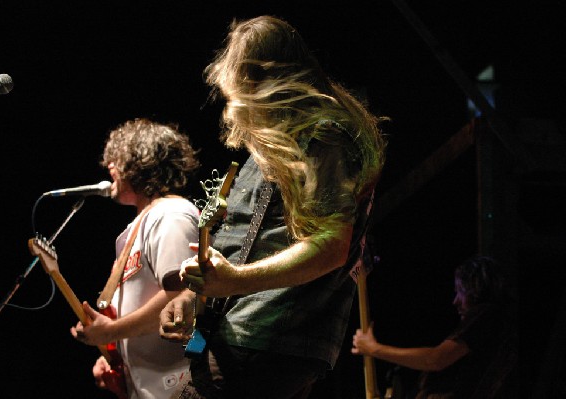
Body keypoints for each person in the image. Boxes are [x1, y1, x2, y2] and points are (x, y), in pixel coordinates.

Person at [159, 15, 387, 399]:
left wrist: (236, 281)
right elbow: (238, 248)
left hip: (264, 341)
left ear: (253, 81)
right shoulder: (270, 148)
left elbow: (332, 246)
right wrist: (190, 298)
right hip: (238, 338)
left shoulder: (325, 135)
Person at [70, 118, 201, 399]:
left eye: (116, 159)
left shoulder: (171, 215)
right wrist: (121, 368)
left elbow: (181, 296)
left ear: (139, 161)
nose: (109, 167)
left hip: (181, 384)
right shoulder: (137, 228)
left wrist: (111, 331)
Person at [352, 255, 518, 398]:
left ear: (476, 289)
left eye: (460, 291)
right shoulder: (495, 322)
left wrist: (373, 349)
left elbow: (435, 360)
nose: (456, 301)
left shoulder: (487, 315)